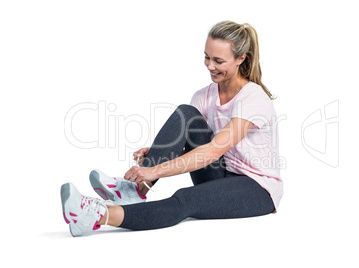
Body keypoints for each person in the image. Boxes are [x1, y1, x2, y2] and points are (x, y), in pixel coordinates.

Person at [60, 20, 283, 237]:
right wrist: (159, 150)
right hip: (219, 173)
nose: (210, 66)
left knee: (186, 199)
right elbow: (194, 150)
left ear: (240, 59)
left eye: (218, 60)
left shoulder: (253, 98)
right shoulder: (204, 96)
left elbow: (213, 150)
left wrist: (154, 170)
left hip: (255, 187)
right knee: (186, 113)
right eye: (206, 57)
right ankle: (134, 190)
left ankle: (98, 215)